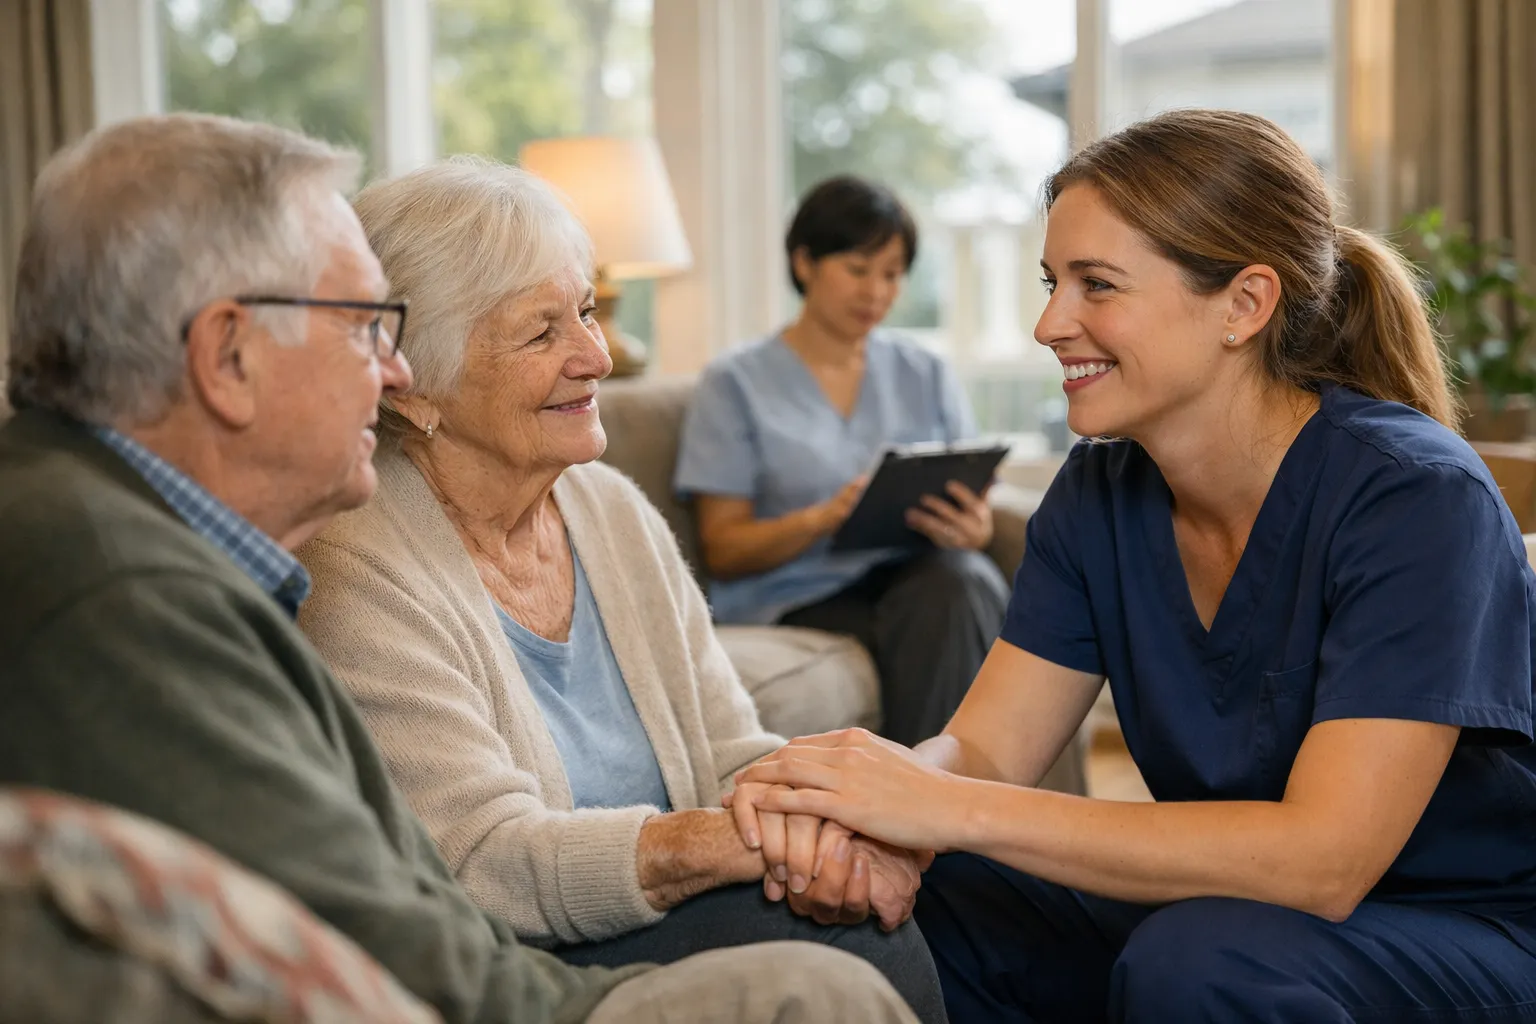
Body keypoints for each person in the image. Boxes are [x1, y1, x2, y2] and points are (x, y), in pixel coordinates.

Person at [0, 112, 919, 1024]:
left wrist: (823, 826)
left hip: (504, 974)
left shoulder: (127, 539)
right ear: (228, 357)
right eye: (364, 328)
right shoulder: (125, 590)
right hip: (515, 981)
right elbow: (402, 945)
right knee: (829, 973)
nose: (391, 373)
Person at [729, 109, 1536, 1022]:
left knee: (1195, 961)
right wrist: (879, 801)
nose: (1048, 324)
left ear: (1244, 304)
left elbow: (1324, 861)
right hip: (1235, 911)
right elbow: (990, 749)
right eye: (1051, 282)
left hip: (1461, 925)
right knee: (918, 905)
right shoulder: (1098, 494)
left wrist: (944, 811)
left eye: (1095, 285)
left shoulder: (1415, 497)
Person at [293, 156, 945, 1023]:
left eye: (589, 313)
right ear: (416, 387)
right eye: (541, 333)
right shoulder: (355, 566)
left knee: (892, 892)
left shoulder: (606, 507)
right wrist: (734, 844)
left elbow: (728, 749)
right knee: (858, 943)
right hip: (517, 968)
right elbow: (485, 862)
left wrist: (823, 829)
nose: (595, 356)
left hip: (650, 913)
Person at [674, 175, 1009, 747]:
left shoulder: (924, 373)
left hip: (916, 577)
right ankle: (946, 814)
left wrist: (974, 528)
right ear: (804, 262)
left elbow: (976, 497)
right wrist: (823, 517)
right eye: (858, 270)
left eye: (892, 274)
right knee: (952, 600)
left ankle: (925, 809)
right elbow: (723, 549)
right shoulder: (736, 383)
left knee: (963, 578)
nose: (876, 292)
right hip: (802, 597)